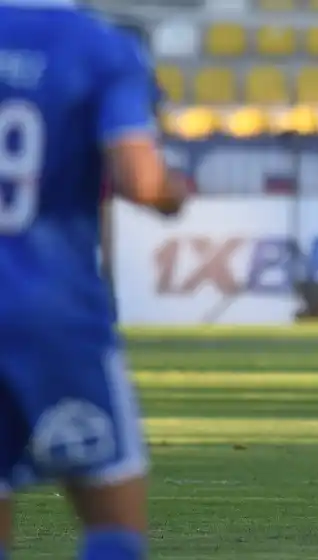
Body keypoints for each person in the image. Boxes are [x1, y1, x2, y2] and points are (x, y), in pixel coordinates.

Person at [0, 1, 187, 559]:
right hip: (52, 313)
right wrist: (172, 192)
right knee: (112, 524)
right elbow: (141, 181)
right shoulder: (97, 46)